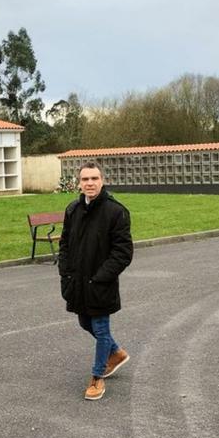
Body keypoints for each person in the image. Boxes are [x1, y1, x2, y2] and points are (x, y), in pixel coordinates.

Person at [58, 161, 133, 400]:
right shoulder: (73, 210)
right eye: (85, 179)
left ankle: (97, 377)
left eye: (94, 179)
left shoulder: (116, 211)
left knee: (100, 329)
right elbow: (65, 245)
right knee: (84, 322)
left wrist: (101, 277)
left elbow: (123, 252)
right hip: (77, 282)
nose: (90, 183)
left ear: (102, 180)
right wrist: (66, 274)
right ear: (79, 183)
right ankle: (117, 353)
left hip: (101, 283)